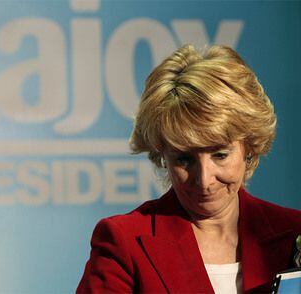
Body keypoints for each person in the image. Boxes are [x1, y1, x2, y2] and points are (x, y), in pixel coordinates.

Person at [77, 44, 301, 293]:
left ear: (249, 148)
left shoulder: (295, 233)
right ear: (162, 155)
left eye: (220, 154)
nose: (204, 180)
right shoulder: (124, 242)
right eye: (184, 159)